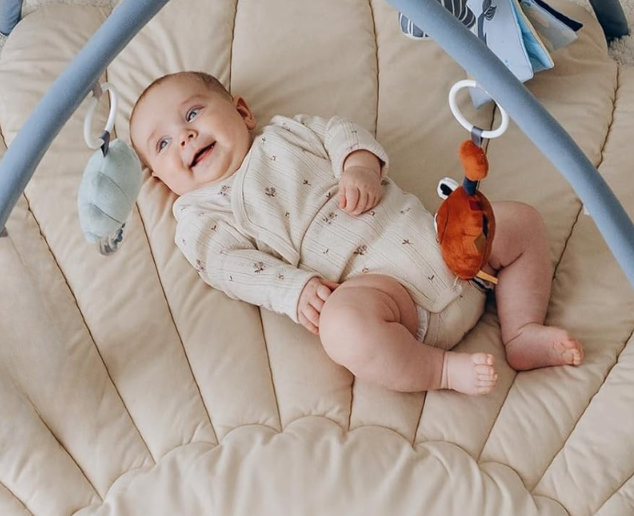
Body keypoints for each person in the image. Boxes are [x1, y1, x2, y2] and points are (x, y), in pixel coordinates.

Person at [129, 71, 583, 396]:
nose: (185, 136)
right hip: (386, 298)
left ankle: (522, 332)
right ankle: (441, 370)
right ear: (161, 180)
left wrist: (359, 167)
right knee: (342, 328)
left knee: (520, 221)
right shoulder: (199, 215)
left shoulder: (285, 134)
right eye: (163, 143)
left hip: (443, 244)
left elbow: (341, 133)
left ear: (242, 112)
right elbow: (227, 265)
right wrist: (293, 289)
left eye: (192, 113)